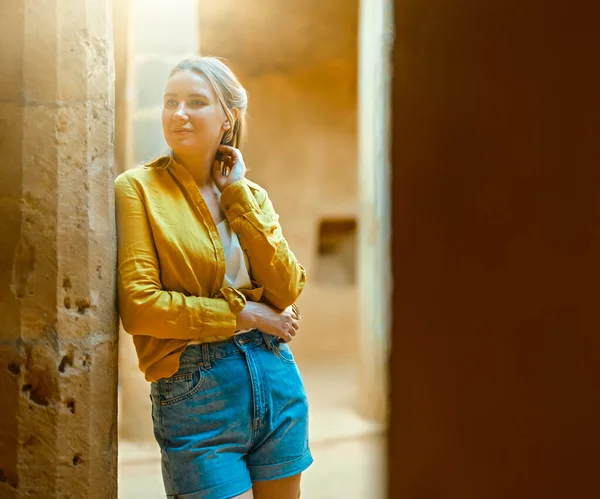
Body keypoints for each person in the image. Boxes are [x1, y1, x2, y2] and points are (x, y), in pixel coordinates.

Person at [115, 56, 312, 499]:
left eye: (196, 102)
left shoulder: (251, 194)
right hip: (194, 391)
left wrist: (237, 195)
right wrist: (250, 316)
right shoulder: (137, 189)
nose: (178, 113)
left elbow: (286, 288)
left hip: (275, 377)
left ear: (228, 118)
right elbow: (141, 307)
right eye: (170, 101)